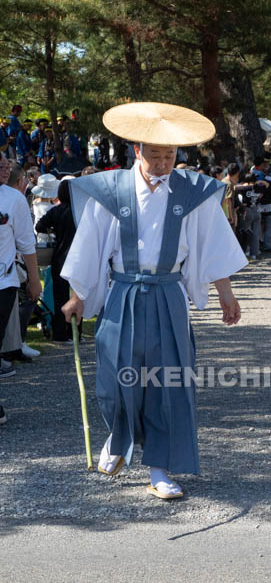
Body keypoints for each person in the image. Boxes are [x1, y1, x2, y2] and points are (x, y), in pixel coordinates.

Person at [60, 102, 246, 500]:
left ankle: (159, 465)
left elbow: (211, 246)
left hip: (168, 293)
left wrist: (226, 294)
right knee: (115, 375)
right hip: (122, 292)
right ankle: (118, 435)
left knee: (168, 381)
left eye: (170, 154)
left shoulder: (191, 192)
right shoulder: (110, 191)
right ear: (136, 150)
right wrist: (78, 296)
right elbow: (89, 247)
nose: (163, 162)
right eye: (155, 154)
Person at [0, 152, 43, 422]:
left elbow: (27, 243)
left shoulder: (13, 199)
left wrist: (35, 280)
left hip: (3, 283)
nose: (4, 169)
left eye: (5, 164)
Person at [35, 177, 76, 342]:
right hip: (77, 256)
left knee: (60, 297)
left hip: (59, 255)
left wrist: (52, 230)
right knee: (77, 296)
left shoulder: (55, 211)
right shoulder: (79, 211)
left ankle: (60, 333)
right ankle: (75, 332)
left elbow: (39, 226)